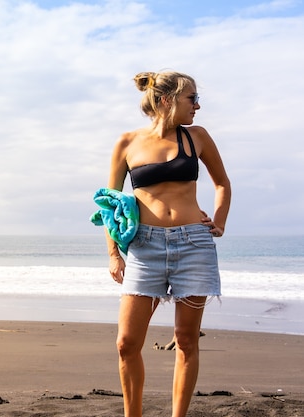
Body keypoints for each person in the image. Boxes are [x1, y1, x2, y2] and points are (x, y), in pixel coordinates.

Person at [105, 71, 231, 417]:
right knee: (126, 344)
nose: (198, 105)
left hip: (194, 245)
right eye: (192, 98)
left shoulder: (197, 137)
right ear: (166, 101)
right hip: (145, 249)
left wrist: (217, 223)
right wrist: (114, 254)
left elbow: (222, 184)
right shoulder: (127, 143)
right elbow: (109, 203)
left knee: (186, 341)